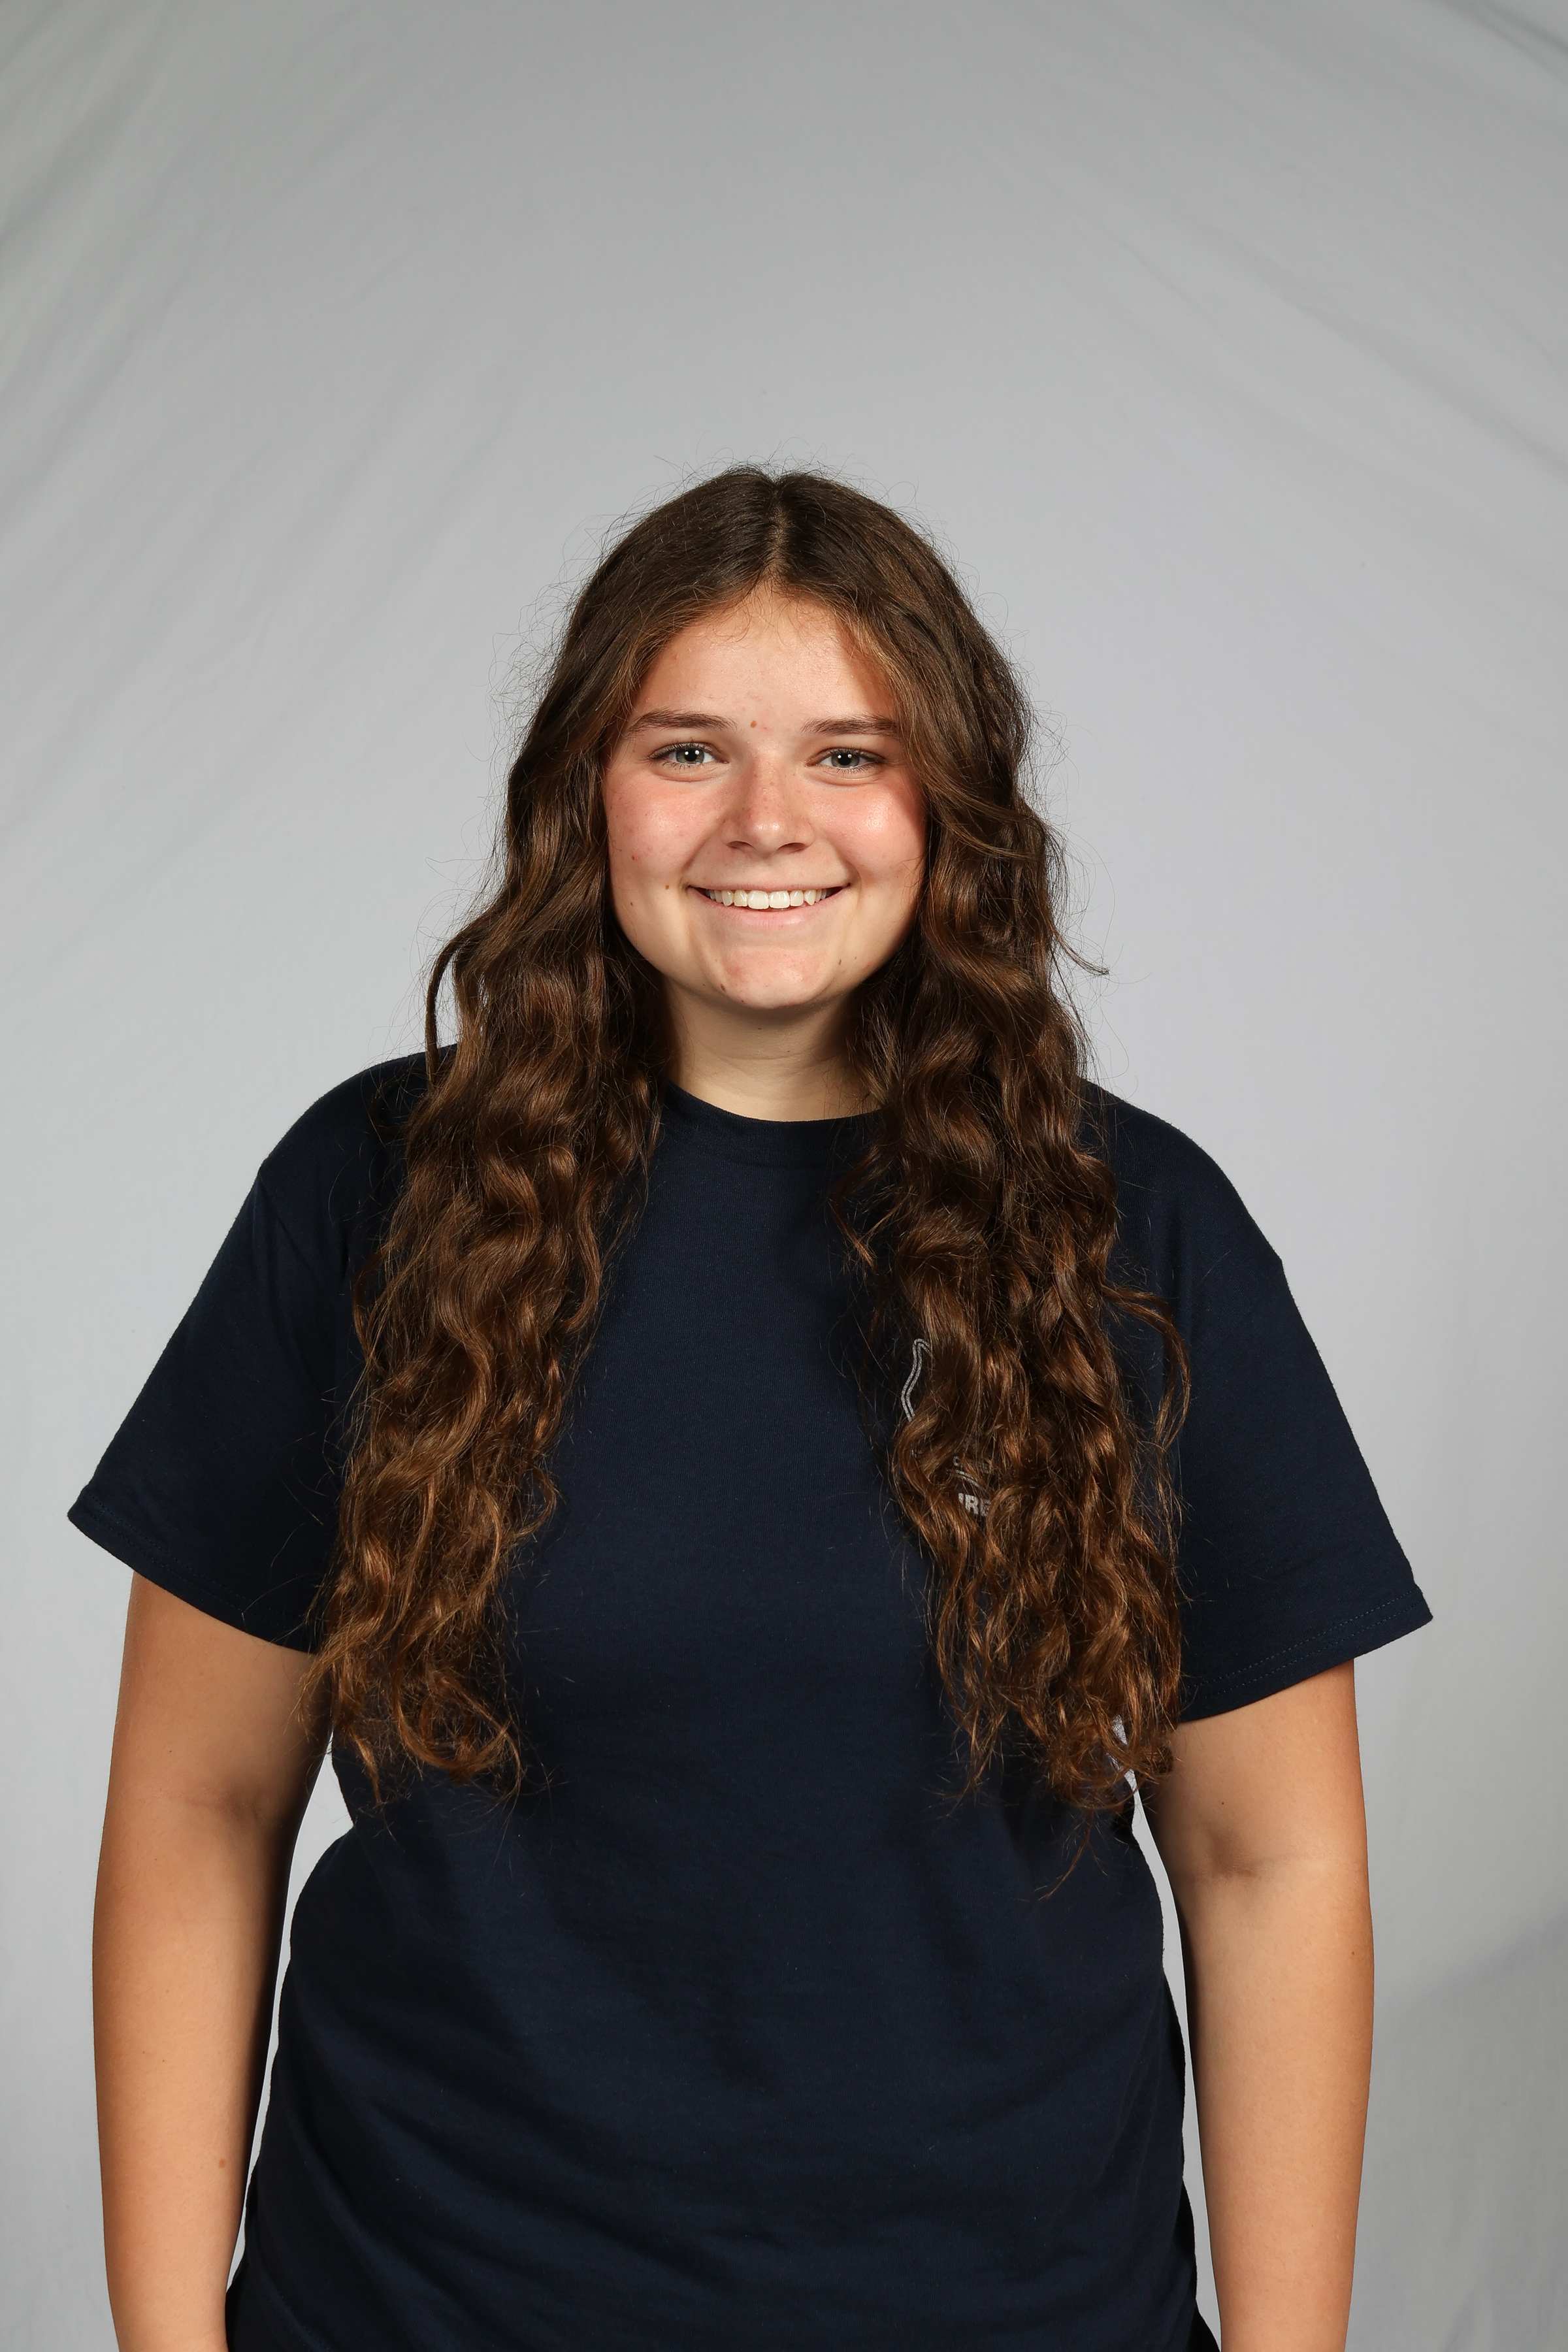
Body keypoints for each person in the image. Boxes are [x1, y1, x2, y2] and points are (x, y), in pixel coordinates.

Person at [78, 467, 1429, 2352]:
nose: (765, 821)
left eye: (849, 754)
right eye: (690, 749)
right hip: (420, 2307)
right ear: (589, 792)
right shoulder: (376, 1196)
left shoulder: (1133, 1235)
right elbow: (199, 1807)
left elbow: (1267, 1862)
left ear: (947, 806)